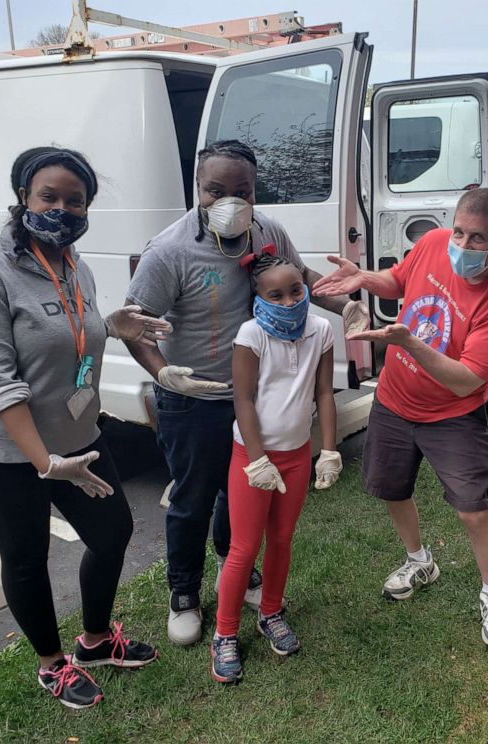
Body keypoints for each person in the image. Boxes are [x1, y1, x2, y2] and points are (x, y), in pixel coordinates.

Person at [124, 140, 366, 646]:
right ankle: (184, 593)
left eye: (242, 191)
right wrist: (164, 372)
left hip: (252, 400)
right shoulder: (167, 251)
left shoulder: (269, 232)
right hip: (192, 400)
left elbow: (297, 280)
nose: (229, 201)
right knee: (191, 499)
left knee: (238, 501)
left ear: (256, 192)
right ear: (198, 188)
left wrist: (343, 299)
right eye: (216, 190)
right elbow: (134, 326)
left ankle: (234, 566)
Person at [0, 147, 166, 709]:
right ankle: (52, 664)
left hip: (76, 438)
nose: (63, 210)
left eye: (76, 200)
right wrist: (45, 464)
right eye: (50, 197)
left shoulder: (76, 265)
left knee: (113, 531)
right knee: (26, 557)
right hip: (0, 452)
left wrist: (109, 325)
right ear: (24, 197)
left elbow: (72, 340)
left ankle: (95, 641)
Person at [313, 187, 488, 648]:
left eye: (476, 239)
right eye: (460, 232)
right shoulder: (433, 243)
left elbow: (467, 380)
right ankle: (419, 560)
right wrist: (364, 278)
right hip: (393, 399)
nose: (462, 246)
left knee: (472, 509)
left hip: (453, 415)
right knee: (392, 488)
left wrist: (408, 343)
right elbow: (399, 280)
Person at [210, 250, 342, 683]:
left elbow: (324, 392)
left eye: (296, 291)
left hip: (296, 454)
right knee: (244, 549)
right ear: (258, 298)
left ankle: (270, 612)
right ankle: (225, 634)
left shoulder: (321, 329)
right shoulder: (251, 335)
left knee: (282, 539)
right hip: (253, 458)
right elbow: (243, 399)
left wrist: (328, 450)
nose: (288, 302)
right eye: (276, 295)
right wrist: (258, 457)